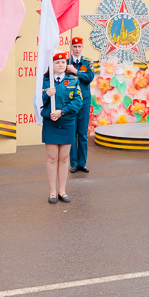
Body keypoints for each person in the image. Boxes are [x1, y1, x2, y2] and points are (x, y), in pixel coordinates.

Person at [40, 52, 83, 203]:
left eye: (63, 62)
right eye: (57, 62)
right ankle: (52, 192)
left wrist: (62, 112)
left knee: (64, 159)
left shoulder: (73, 81)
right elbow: (37, 102)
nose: (60, 65)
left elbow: (78, 102)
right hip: (51, 124)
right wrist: (47, 94)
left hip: (67, 123)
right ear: (51, 65)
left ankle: (62, 191)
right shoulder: (45, 82)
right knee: (52, 158)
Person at [66, 37, 94, 173]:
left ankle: (82, 163)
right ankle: (73, 163)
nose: (77, 49)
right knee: (72, 133)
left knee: (82, 133)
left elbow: (89, 78)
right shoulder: (66, 62)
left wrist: (76, 71)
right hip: (71, 101)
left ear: (82, 47)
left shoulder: (87, 62)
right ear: (71, 47)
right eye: (74, 46)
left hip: (84, 101)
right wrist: (68, 70)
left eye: (79, 46)